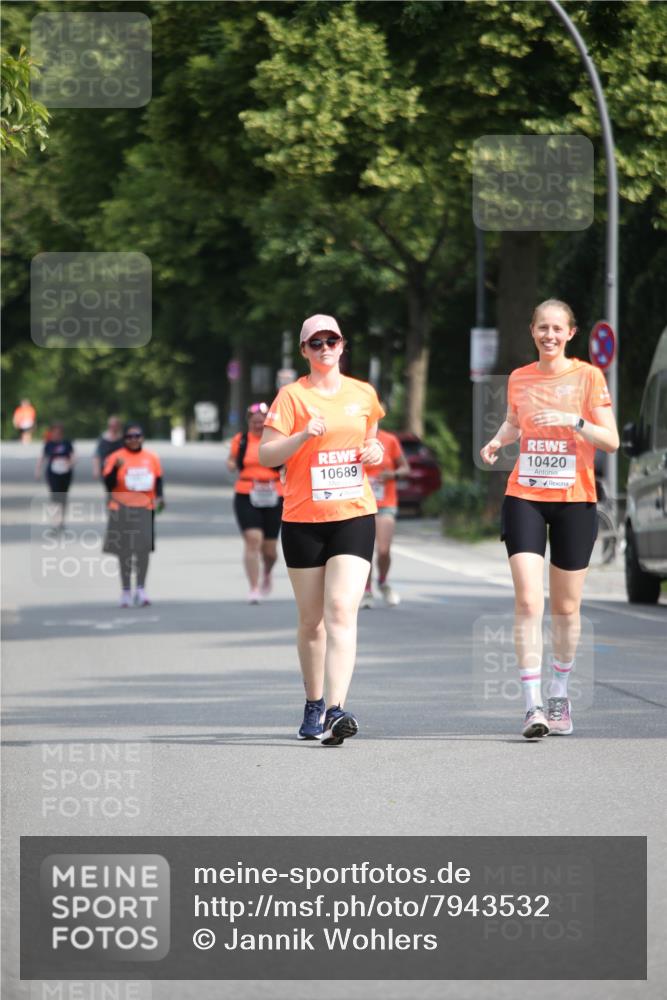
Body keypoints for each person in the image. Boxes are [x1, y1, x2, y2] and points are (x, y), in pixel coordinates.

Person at [480, 299, 619, 739]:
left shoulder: (587, 376)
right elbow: (513, 423)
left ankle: (559, 692)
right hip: (525, 495)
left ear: (571, 333)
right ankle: (532, 706)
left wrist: (573, 420)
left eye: (557, 328)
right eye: (542, 327)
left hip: (575, 499)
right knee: (527, 602)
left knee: (566, 607)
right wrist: (496, 442)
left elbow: (611, 440)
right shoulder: (520, 377)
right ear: (532, 331)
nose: (549, 335)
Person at [259, 314, 384, 745]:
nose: (325, 348)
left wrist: (375, 450)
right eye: (316, 343)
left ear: (343, 345)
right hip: (303, 520)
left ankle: (336, 709)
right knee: (312, 622)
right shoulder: (292, 396)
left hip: (354, 513)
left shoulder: (363, 393)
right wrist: (302, 437)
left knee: (340, 610)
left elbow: (374, 442)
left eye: (331, 341)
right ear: (305, 351)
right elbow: (267, 454)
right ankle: (313, 702)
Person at [226, 402, 284, 603]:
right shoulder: (241, 440)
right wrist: (231, 464)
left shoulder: (276, 439)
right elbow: (232, 460)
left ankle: (267, 570)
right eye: (255, 422)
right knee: (253, 540)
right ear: (249, 422)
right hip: (246, 493)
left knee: (270, 550)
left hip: (274, 494)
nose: (258, 425)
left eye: (262, 422)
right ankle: (253, 587)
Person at [102, 423, 164, 608]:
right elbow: (108, 484)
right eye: (129, 436)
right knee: (125, 552)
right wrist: (115, 469)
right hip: (121, 508)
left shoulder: (151, 457)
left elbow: (158, 479)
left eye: (137, 435)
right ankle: (126, 590)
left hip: (145, 508)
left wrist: (160, 497)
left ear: (142, 437)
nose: (134, 439)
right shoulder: (116, 457)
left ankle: (141, 588)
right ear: (124, 439)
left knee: (143, 550)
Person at [362, 424, 410, 607]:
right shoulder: (354, 438)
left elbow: (405, 468)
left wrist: (393, 474)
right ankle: (366, 591)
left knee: (383, 550)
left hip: (385, 503)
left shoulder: (390, 440)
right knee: (365, 550)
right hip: (362, 504)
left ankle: (382, 581)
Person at [35, 421, 75, 530]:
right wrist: (38, 470)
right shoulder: (49, 444)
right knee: (55, 496)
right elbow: (42, 457)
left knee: (63, 496)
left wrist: (70, 463)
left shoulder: (66, 443)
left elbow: (73, 456)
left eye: (59, 432)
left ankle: (61, 520)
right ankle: (55, 521)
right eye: (55, 432)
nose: (57, 434)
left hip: (65, 473)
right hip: (53, 473)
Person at [93, 415, 124, 486]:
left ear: (119, 426)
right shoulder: (103, 438)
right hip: (106, 470)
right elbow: (96, 455)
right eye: (111, 425)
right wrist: (96, 469)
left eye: (115, 425)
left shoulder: (123, 439)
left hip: (121, 470)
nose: (113, 428)